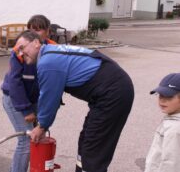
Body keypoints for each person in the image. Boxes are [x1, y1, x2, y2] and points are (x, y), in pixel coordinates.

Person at [14, 30, 134, 172]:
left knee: (93, 149)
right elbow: (53, 97)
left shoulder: (47, 62)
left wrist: (41, 127)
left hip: (113, 94)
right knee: (86, 140)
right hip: (109, 92)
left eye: (22, 48)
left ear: (35, 42)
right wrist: (43, 125)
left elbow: (49, 99)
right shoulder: (51, 54)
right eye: (17, 51)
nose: (20, 53)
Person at [1, 15, 56, 172]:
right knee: (25, 141)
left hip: (36, 99)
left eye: (38, 29)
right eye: (31, 29)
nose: (33, 33)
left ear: (48, 32)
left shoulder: (52, 50)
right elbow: (14, 82)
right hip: (15, 99)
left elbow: (54, 84)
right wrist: (26, 110)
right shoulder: (19, 51)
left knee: (40, 137)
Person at [145, 73, 180, 172]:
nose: (162, 100)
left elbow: (170, 163)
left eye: (169, 97)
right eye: (160, 95)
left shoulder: (174, 128)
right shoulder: (172, 120)